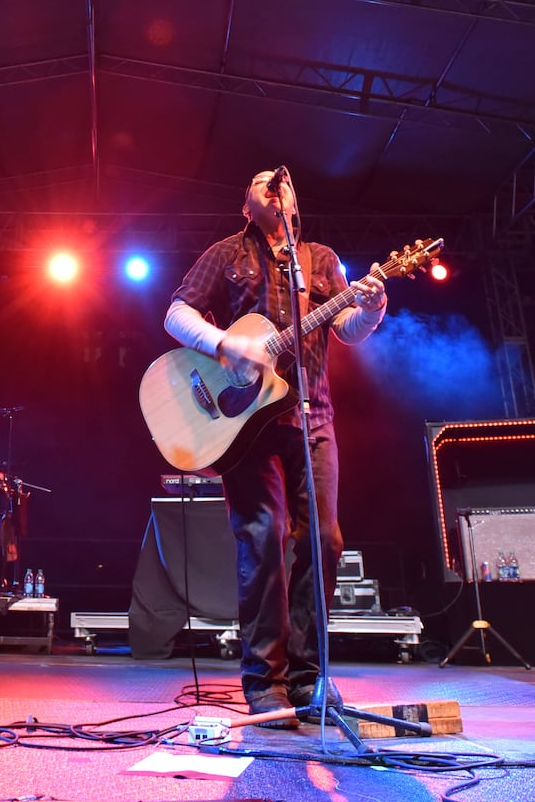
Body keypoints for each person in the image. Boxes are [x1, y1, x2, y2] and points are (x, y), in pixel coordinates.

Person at [162, 168, 387, 728]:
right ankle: (265, 680)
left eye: (282, 183)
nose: (274, 185)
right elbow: (176, 312)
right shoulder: (226, 253)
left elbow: (349, 329)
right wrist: (224, 344)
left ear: (294, 199)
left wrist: (374, 306)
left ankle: (312, 678)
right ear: (247, 204)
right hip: (246, 425)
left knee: (324, 540)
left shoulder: (319, 259)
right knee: (262, 541)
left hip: (315, 415)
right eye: (262, 182)